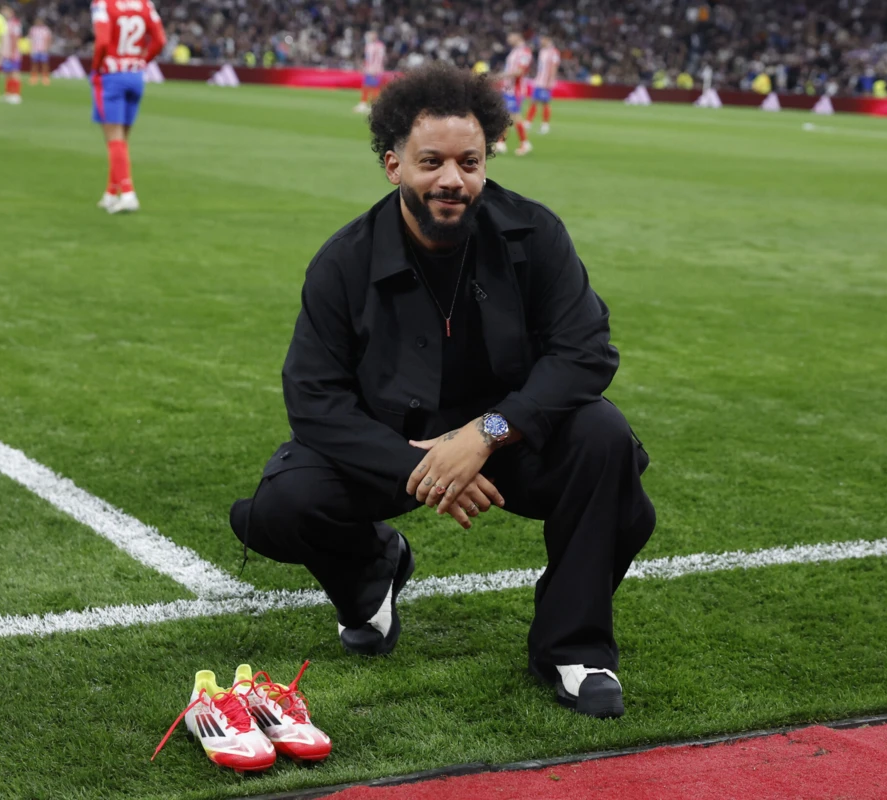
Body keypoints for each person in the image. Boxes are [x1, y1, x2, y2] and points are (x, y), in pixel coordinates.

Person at [229, 63, 655, 719]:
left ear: (487, 162)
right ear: (393, 163)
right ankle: (373, 568)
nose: (452, 180)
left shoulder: (535, 235)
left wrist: (485, 435)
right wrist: (427, 464)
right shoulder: (343, 261)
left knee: (606, 441)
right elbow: (313, 399)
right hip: (390, 445)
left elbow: (586, 350)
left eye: (469, 161)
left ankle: (573, 649)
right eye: (432, 162)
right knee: (282, 506)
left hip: (507, 439)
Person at [90, 0, 166, 214]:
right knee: (122, 139)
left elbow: (103, 41)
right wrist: (142, 61)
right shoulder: (145, 4)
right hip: (135, 76)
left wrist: (96, 68)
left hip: (111, 75)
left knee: (113, 138)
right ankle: (111, 193)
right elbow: (160, 40)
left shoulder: (103, 4)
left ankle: (128, 193)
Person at [495, 32, 532, 156]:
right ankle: (500, 143)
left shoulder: (524, 52)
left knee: (515, 116)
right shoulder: (515, 51)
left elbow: (519, 72)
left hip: (516, 90)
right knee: (505, 115)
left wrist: (502, 75)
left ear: (518, 37)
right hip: (508, 88)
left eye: (511, 36)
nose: (508, 38)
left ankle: (524, 143)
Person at [525, 36, 559, 135]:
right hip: (539, 80)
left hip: (546, 82)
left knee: (545, 103)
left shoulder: (554, 52)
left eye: (542, 40)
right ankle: (528, 122)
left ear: (548, 40)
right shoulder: (542, 51)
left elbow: (554, 67)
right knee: (533, 101)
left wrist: (550, 81)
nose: (540, 41)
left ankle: (545, 125)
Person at [355, 31, 386, 113]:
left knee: (373, 87)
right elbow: (368, 59)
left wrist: (376, 69)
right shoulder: (373, 46)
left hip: (374, 69)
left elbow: (379, 58)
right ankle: (365, 104)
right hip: (371, 68)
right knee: (367, 86)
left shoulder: (376, 46)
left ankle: (371, 105)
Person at [0, 5, 22, 104]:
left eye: (5, 10)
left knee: (15, 73)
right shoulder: (5, 23)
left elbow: (15, 38)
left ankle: (16, 94)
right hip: (6, 52)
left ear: (11, 12)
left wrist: (12, 52)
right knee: (7, 73)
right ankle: (8, 93)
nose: (3, 12)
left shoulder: (15, 23)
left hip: (13, 53)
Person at [28, 16, 52, 85]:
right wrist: (30, 48)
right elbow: (30, 39)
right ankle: (34, 77)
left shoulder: (46, 30)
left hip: (43, 49)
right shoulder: (33, 29)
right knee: (34, 64)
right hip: (35, 49)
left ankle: (45, 77)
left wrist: (47, 48)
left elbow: (48, 39)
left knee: (44, 64)